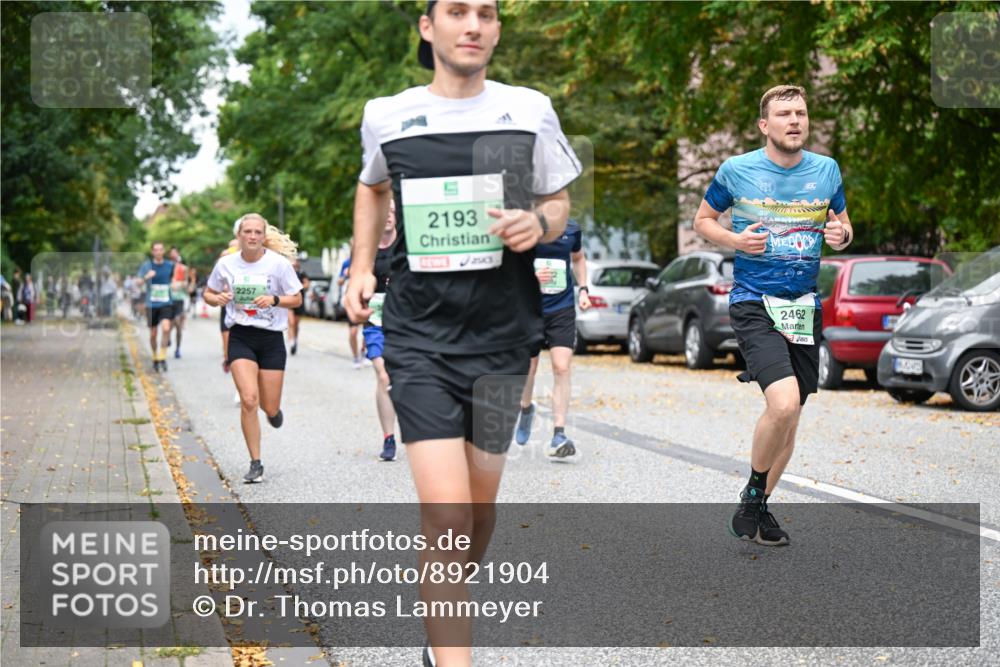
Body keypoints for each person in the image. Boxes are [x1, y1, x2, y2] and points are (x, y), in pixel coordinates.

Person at [345, 2, 580, 664]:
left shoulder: (528, 110)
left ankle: (442, 619)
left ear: (498, 30)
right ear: (429, 27)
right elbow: (371, 187)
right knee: (446, 519)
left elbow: (559, 199)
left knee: (477, 518)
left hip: (504, 340)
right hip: (418, 337)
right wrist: (361, 267)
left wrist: (540, 222)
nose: (472, 24)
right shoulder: (386, 114)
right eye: (456, 11)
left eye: (486, 13)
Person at [693, 84, 853, 546]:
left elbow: (841, 225)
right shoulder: (737, 170)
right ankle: (753, 496)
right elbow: (703, 221)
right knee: (781, 403)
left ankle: (758, 505)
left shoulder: (826, 170)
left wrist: (841, 235)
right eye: (784, 114)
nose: (795, 121)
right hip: (754, 301)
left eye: (801, 113)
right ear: (765, 125)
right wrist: (737, 241)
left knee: (791, 416)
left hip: (803, 305)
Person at [203, 213, 302, 483]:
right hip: (241, 336)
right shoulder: (225, 264)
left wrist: (274, 299)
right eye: (247, 231)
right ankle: (255, 463)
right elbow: (208, 293)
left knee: (268, 406)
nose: (252, 236)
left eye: (258, 232)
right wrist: (218, 299)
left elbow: (297, 298)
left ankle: (273, 412)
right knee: (248, 399)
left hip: (271, 340)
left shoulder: (278, 265)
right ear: (239, 236)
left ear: (264, 236)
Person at [513, 218, 590, 458]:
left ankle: (559, 433)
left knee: (562, 367)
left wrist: (584, 289)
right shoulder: (525, 226)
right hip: (530, 307)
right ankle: (526, 409)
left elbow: (578, 258)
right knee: (529, 369)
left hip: (562, 308)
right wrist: (531, 276)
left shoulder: (572, 228)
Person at [362, 200, 399, 462]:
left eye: (393, 212)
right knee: (383, 376)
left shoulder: (407, 247)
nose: (388, 217)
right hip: (375, 322)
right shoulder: (366, 250)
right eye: (383, 212)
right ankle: (389, 438)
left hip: (406, 322)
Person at [138, 242, 175, 372]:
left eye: (160, 249)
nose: (158, 252)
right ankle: (155, 357)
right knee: (153, 334)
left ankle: (162, 357)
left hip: (166, 302)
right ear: (152, 252)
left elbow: (175, 279)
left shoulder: (170, 265)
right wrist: (146, 277)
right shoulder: (146, 266)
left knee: (166, 329)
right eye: (156, 250)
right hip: (151, 304)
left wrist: (175, 284)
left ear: (163, 251)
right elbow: (137, 282)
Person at [338, 253, 368, 368]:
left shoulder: (366, 259)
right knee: (353, 332)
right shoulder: (346, 263)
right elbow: (339, 282)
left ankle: (364, 352)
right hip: (351, 299)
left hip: (365, 299)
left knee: (367, 329)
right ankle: (356, 357)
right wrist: (345, 276)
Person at [168, 247, 189, 358]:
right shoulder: (167, 267)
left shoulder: (183, 268)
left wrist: (181, 284)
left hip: (180, 298)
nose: (174, 255)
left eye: (175, 253)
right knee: (169, 324)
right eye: (172, 254)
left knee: (178, 324)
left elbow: (186, 283)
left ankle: (177, 349)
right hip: (168, 299)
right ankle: (167, 338)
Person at [287, 258, 310, 355]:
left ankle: (295, 339)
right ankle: (291, 341)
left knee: (296, 324)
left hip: (299, 301)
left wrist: (298, 286)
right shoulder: (286, 272)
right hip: (289, 300)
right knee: (291, 323)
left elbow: (307, 284)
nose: (294, 263)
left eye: (295, 261)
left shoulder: (302, 273)